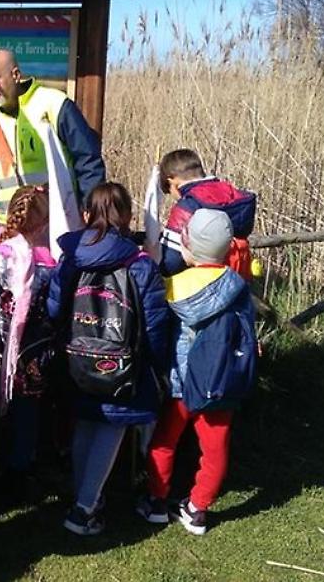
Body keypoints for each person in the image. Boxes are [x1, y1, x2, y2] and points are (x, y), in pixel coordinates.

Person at [47, 182, 171, 536]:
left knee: (86, 422)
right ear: (127, 216)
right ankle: (84, 509)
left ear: (87, 214)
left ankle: (86, 497)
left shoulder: (70, 257)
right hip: (123, 364)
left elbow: (55, 306)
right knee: (111, 427)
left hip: (77, 356)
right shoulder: (139, 263)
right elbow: (156, 321)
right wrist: (158, 363)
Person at [138, 209, 257, 536]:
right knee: (216, 447)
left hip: (180, 381)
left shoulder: (172, 287)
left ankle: (157, 501)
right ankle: (198, 508)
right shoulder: (238, 286)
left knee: (164, 441)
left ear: (187, 245)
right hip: (220, 381)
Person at [0, 185, 56, 497]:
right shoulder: (50, 265)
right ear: (44, 225)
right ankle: (19, 470)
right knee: (26, 417)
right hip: (30, 357)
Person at [0, 49, 106, 214]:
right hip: (10, 230)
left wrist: (89, 210)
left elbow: (88, 160)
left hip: (59, 224)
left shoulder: (54, 103)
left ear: (16, 75)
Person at [157, 148, 257, 277]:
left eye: (168, 189)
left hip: (201, 285)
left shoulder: (187, 205)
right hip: (236, 280)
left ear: (172, 182)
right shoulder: (235, 195)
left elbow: (170, 262)